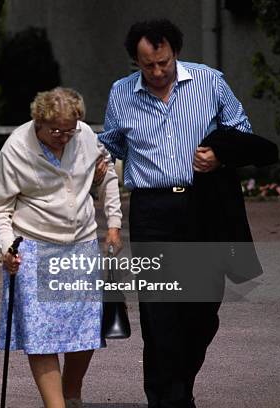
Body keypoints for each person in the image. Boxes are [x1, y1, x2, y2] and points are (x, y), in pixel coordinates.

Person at [98, 19, 255, 408]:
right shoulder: (121, 93)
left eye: (163, 63)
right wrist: (96, 164)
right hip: (153, 211)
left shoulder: (210, 81)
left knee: (203, 311)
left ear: (175, 54)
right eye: (147, 65)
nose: (156, 72)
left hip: (204, 207)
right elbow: (110, 144)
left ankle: (180, 385)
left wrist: (219, 154)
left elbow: (242, 130)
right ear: (136, 61)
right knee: (159, 313)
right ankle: (165, 399)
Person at [0, 87, 122, 408]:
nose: (64, 136)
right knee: (40, 335)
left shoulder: (85, 135)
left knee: (85, 329)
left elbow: (107, 177)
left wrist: (114, 225)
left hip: (81, 244)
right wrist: (7, 247)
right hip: (34, 246)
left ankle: (71, 392)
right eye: (56, 131)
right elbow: (0, 208)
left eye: (70, 129)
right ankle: (56, 405)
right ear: (39, 122)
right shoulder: (16, 149)